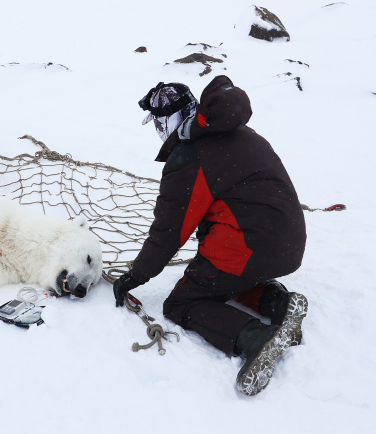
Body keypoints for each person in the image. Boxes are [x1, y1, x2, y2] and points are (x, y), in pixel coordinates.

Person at [113, 76, 308, 396]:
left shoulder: (188, 157)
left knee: (181, 302)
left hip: (250, 245)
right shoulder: (238, 132)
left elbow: (167, 234)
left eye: (158, 123)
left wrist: (134, 276)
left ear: (169, 121)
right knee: (221, 278)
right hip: (288, 242)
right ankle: (280, 304)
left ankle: (254, 338)